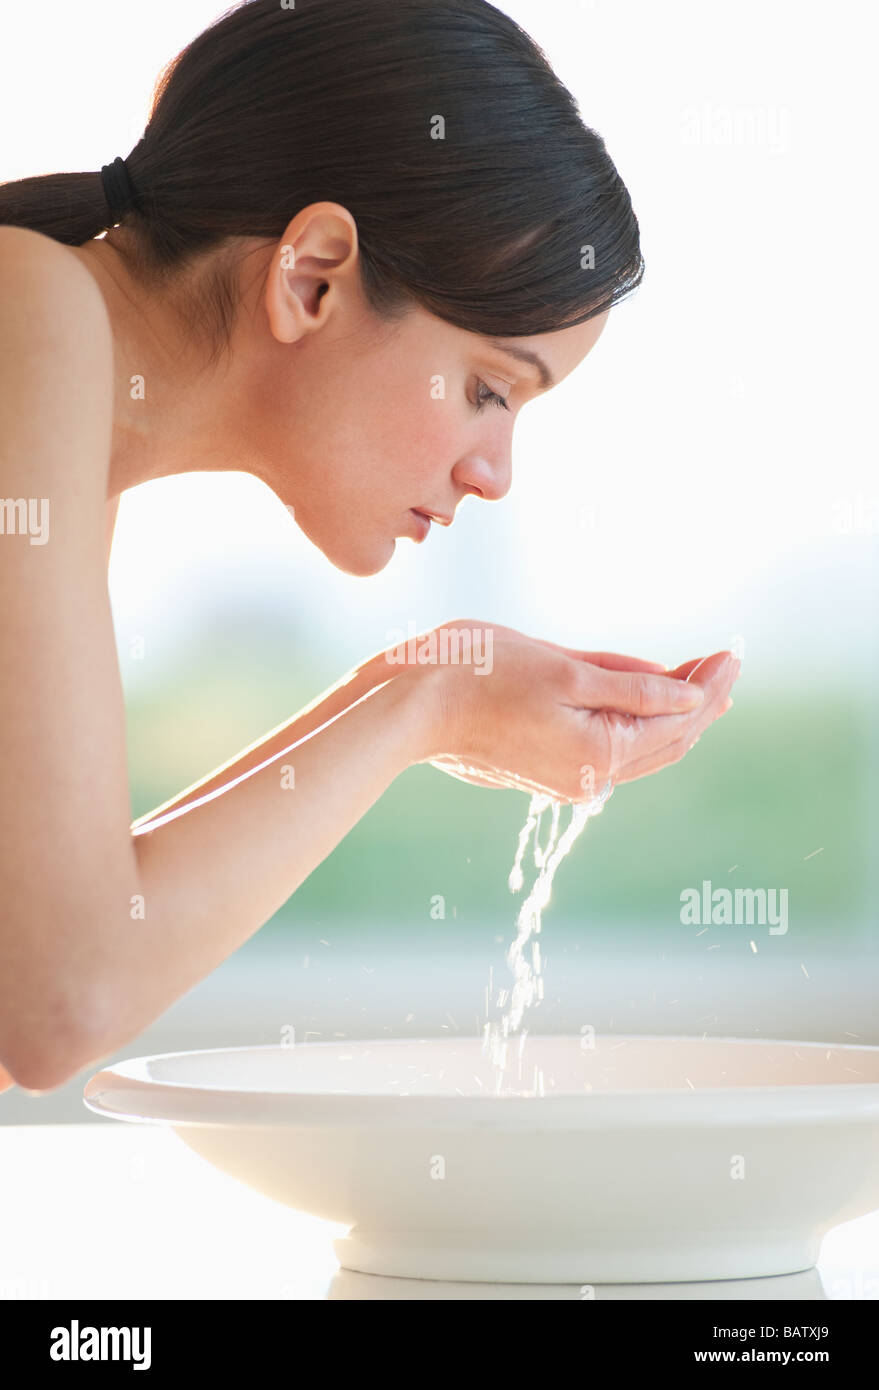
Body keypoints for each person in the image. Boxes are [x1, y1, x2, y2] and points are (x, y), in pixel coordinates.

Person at [0, 0, 738, 1094]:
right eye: (490, 389)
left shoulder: (69, 392)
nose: (495, 472)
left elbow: (38, 950)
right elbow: (60, 1001)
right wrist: (423, 706)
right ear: (314, 276)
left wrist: (404, 689)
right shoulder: (33, 309)